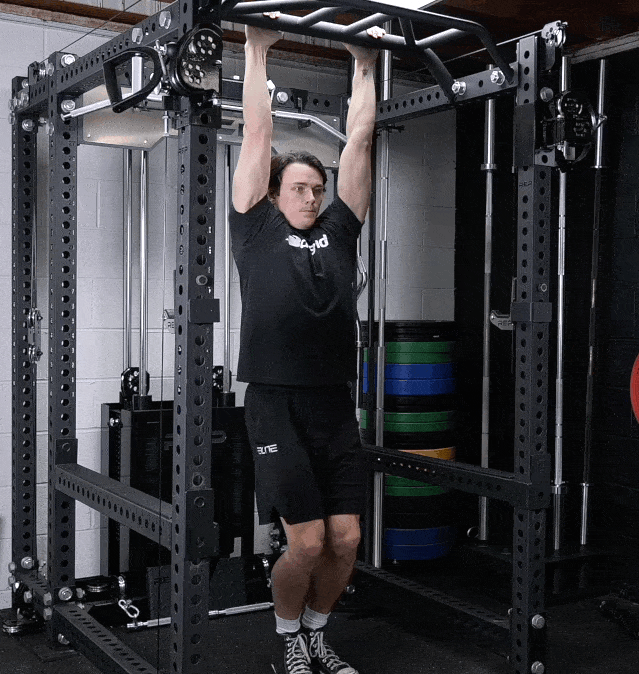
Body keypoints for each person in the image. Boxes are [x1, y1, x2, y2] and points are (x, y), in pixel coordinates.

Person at [229, 23, 381, 674]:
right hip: (273, 403)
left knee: (346, 539)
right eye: (298, 187)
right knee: (307, 542)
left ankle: (319, 632)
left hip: (332, 403)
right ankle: (288, 639)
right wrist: (257, 49)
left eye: (316, 189)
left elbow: (361, 141)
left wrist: (365, 65)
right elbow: (257, 136)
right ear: (274, 191)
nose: (310, 196)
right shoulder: (254, 224)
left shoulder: (340, 230)